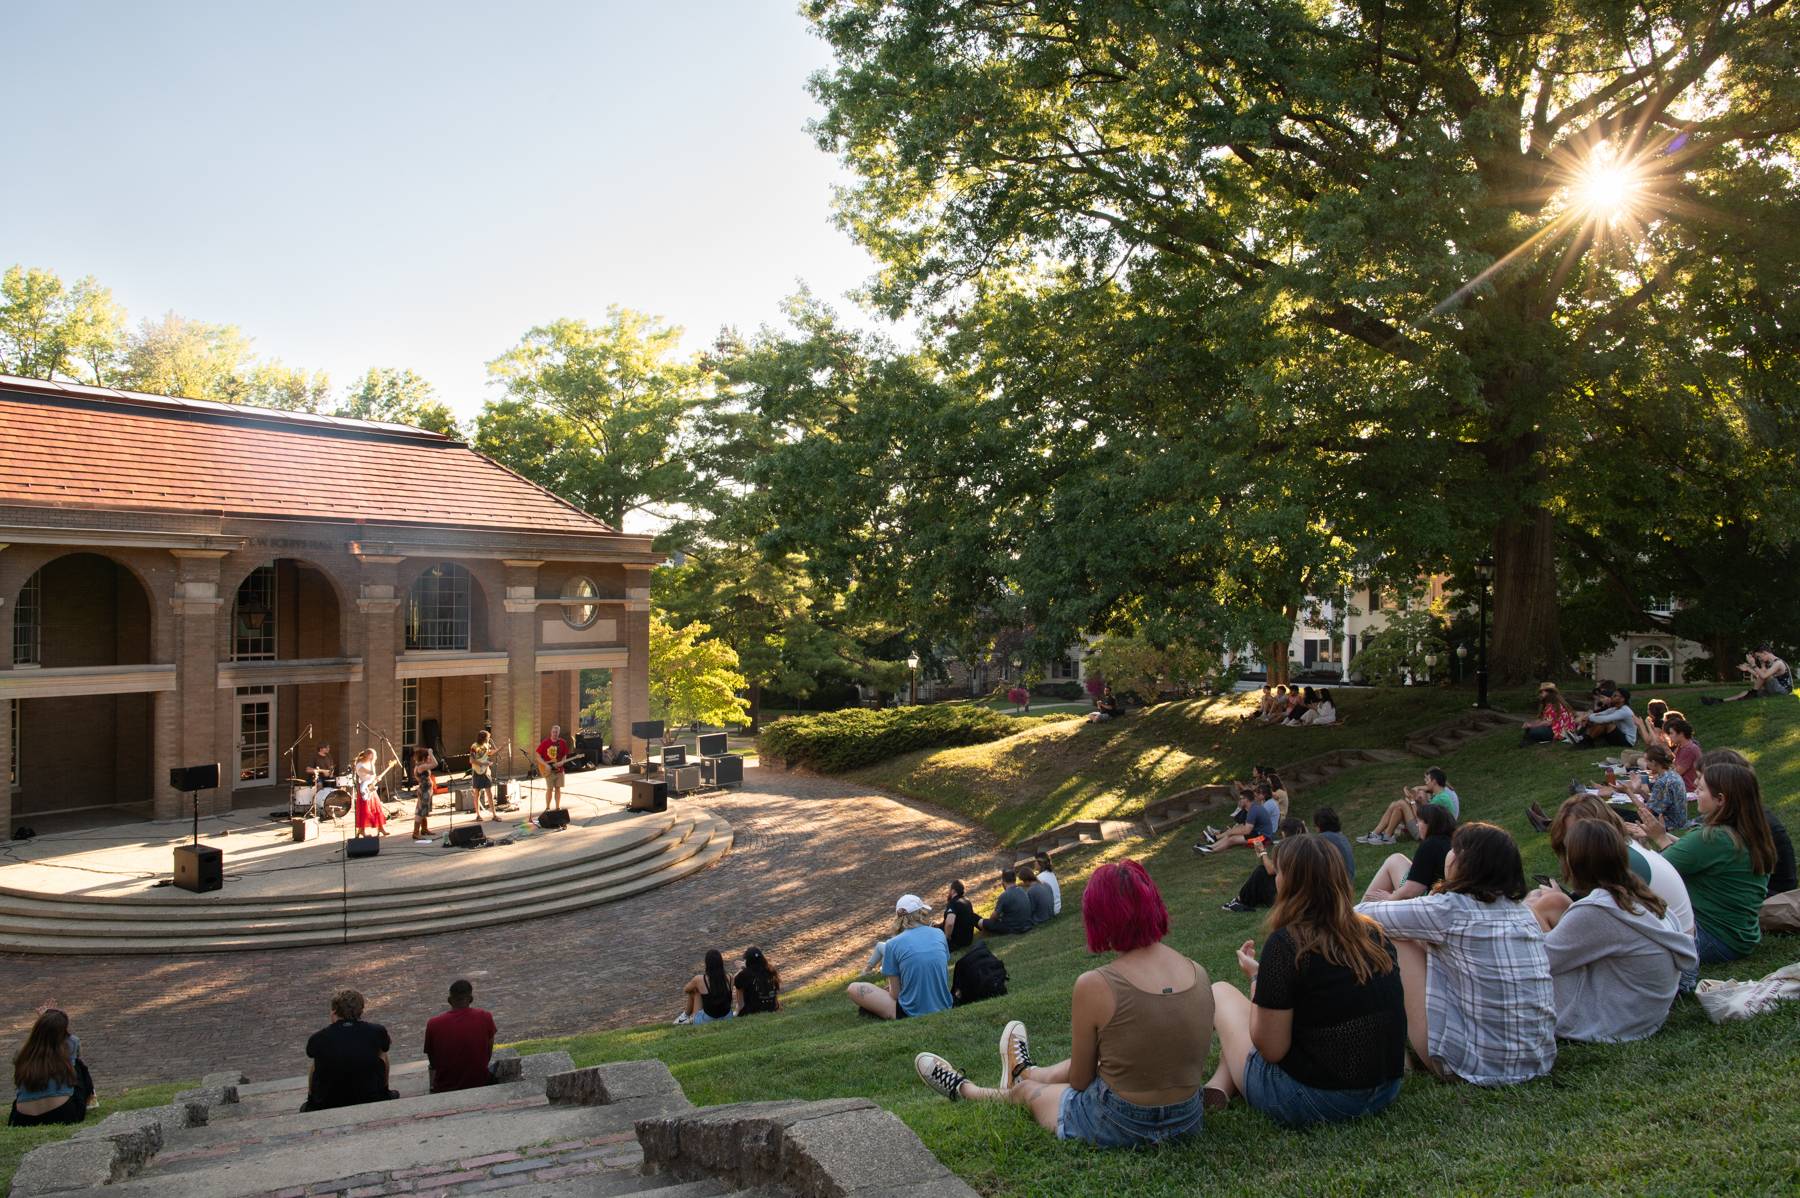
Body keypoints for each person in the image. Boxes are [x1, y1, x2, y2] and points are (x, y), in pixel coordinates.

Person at [910, 860, 1212, 1149]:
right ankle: (1026, 1070)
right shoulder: (1198, 972)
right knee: (1105, 1057)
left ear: (1099, 917)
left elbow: (1080, 1080)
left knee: (1030, 1094)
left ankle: (968, 1089)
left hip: (1122, 1121)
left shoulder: (1097, 984)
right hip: (1188, 1118)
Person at [1206, 835, 1406, 1126]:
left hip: (1321, 1100)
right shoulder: (1372, 934)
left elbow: (1270, 1048)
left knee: (1221, 992)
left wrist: (1258, 979)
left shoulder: (1288, 943)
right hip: (1385, 1088)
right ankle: (1219, 1084)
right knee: (1244, 1028)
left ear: (1290, 883)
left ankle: (1223, 1083)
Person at [1355, 823, 1557, 1086]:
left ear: (1467, 862)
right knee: (1416, 936)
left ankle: (1384, 1042)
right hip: (1538, 1059)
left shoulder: (1450, 909)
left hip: (1476, 1068)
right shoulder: (1522, 912)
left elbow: (1358, 915)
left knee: (1390, 935)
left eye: (1454, 849)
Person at [1524, 822, 1695, 1042]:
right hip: (1645, 1014)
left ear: (1577, 863)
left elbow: (1538, 961)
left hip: (1615, 1023)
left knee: (1533, 921)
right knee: (1548, 902)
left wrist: (1527, 913)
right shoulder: (1637, 894)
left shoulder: (1599, 910)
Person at [1633, 759, 1776, 964]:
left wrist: (1643, 844)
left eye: (1700, 789)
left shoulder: (1712, 838)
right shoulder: (1751, 832)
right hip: (1742, 936)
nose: (1695, 792)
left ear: (1720, 799)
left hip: (1713, 939)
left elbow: (1654, 874)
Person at [848, 895, 952, 1020]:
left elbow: (895, 994)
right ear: (921, 913)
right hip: (945, 1005)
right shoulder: (939, 934)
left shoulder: (893, 944)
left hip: (911, 1011)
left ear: (899, 918)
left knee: (853, 988)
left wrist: (891, 989)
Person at [303, 989, 396, 1111]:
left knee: (316, 1060)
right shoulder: (376, 1030)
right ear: (361, 1010)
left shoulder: (318, 1037)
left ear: (334, 1011)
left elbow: (311, 1052)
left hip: (328, 1101)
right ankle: (384, 1091)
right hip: (370, 1096)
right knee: (382, 1053)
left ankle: (312, 1099)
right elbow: (385, 1046)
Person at [10, 1008, 95, 1127]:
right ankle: (91, 1100)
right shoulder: (70, 1045)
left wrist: (44, 1020)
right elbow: (72, 1040)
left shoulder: (22, 1054)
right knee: (79, 1066)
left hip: (22, 1118)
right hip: (62, 1113)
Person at [1359, 802, 1457, 902]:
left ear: (1429, 824)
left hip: (1430, 901)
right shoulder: (1455, 842)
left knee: (1394, 860)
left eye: (1419, 821)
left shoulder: (1431, 844)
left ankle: (1358, 911)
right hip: (1449, 898)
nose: (1417, 825)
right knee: (1397, 859)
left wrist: (1390, 897)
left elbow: (1413, 890)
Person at [423, 979, 498, 1092]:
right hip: (479, 1081)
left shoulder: (433, 1024)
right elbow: (488, 1052)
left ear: (449, 1000)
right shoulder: (485, 1017)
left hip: (445, 1086)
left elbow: (433, 1062)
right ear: (471, 999)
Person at [1223, 817, 1307, 912]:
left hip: (1289, 898)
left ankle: (1240, 900)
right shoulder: (1307, 846)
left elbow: (1271, 870)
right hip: (1304, 894)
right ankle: (1243, 899)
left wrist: (1262, 852)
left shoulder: (1288, 848)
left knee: (1261, 871)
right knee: (1264, 873)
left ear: (1285, 832)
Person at [1357, 767, 1458, 845]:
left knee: (1401, 803)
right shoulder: (1440, 795)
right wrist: (1416, 801)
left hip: (1427, 834)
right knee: (1398, 807)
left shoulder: (1440, 798)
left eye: (1427, 780)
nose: (1425, 782)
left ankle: (1382, 835)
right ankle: (1383, 835)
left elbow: (1422, 817)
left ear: (1434, 781)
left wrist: (1412, 801)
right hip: (1429, 830)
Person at [1196, 782, 1279, 855]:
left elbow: (1247, 830)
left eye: (1241, 799)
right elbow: (1246, 826)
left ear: (1246, 800)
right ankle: (1209, 846)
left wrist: (1232, 831)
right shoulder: (1253, 808)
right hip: (1257, 832)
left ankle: (1210, 850)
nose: (1239, 801)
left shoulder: (1254, 810)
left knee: (1232, 839)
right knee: (1231, 834)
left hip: (1263, 838)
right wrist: (1232, 831)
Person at [1712, 647, 1793, 702]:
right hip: (1775, 689)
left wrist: (1753, 665)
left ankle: (1753, 692)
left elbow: (1763, 676)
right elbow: (1760, 678)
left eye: (1759, 656)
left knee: (1762, 676)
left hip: (1783, 691)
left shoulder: (1778, 663)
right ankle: (1721, 701)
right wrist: (1749, 669)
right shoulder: (1769, 663)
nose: (1759, 659)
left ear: (1764, 653)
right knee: (1745, 693)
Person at [677, 950, 735, 1025]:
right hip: (727, 1016)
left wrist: (698, 987)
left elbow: (686, 989)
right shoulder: (730, 977)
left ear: (707, 964)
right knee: (703, 990)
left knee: (696, 991)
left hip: (708, 1019)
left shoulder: (699, 979)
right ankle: (685, 1017)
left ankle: (685, 1016)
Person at [1573, 688, 1637, 749]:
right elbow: (1599, 714)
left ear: (1622, 699)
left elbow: (1604, 719)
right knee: (1596, 719)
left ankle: (1587, 741)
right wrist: (1587, 718)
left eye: (1615, 696)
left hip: (1627, 741)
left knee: (1606, 722)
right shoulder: (1614, 709)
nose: (1612, 697)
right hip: (1618, 735)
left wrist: (1588, 717)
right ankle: (1584, 738)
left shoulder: (1625, 711)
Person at [979, 869, 1036, 935]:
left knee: (981, 922)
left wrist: (991, 922)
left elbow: (993, 917)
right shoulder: (1022, 890)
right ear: (1015, 879)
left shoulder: (1004, 895)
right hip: (1027, 924)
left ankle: (988, 934)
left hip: (1013, 928)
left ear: (1003, 881)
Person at [535, 724, 572, 811]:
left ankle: (557, 807)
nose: (555, 734)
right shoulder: (545, 742)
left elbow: (564, 755)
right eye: (553, 732)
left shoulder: (562, 743)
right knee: (549, 789)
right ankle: (547, 807)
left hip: (559, 770)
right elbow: (537, 756)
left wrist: (562, 762)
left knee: (558, 788)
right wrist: (546, 765)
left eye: (557, 732)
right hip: (548, 770)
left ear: (559, 733)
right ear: (551, 732)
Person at [734, 946, 781, 1015]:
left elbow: (734, 982)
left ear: (747, 960)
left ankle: (737, 1011)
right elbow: (775, 992)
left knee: (739, 987)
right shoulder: (771, 971)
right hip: (771, 1007)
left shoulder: (744, 974)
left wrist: (742, 968)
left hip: (752, 1010)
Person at [351, 747, 387, 837]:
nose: (375, 757)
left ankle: (381, 828)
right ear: (368, 756)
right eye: (373, 756)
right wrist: (372, 763)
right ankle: (361, 830)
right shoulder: (359, 765)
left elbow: (372, 776)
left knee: (376, 808)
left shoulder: (370, 763)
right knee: (365, 810)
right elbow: (371, 773)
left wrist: (377, 779)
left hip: (370, 788)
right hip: (364, 789)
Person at [468, 729, 500, 821]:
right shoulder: (474, 746)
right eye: (488, 737)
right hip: (477, 771)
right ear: (484, 738)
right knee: (477, 793)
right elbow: (472, 760)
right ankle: (478, 815)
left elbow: (488, 753)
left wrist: (499, 749)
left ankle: (494, 815)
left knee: (489, 793)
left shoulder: (486, 745)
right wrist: (484, 764)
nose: (489, 739)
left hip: (486, 772)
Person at [940, 879, 978, 950]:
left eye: (950, 890)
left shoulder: (953, 903)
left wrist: (946, 938)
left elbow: (950, 924)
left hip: (956, 942)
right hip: (968, 940)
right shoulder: (967, 901)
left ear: (953, 891)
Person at [1666, 715, 1702, 789]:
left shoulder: (1689, 749)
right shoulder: (1681, 747)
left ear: (1681, 733)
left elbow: (1676, 773)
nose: (1669, 736)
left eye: (1671, 733)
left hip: (1687, 788)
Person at [410, 745, 438, 841]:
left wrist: (428, 755)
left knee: (424, 810)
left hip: (426, 790)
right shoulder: (421, 767)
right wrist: (430, 752)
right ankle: (415, 832)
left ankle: (424, 829)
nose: (429, 758)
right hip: (424, 790)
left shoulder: (421, 765)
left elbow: (431, 762)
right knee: (421, 811)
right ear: (424, 757)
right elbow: (435, 764)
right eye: (427, 757)